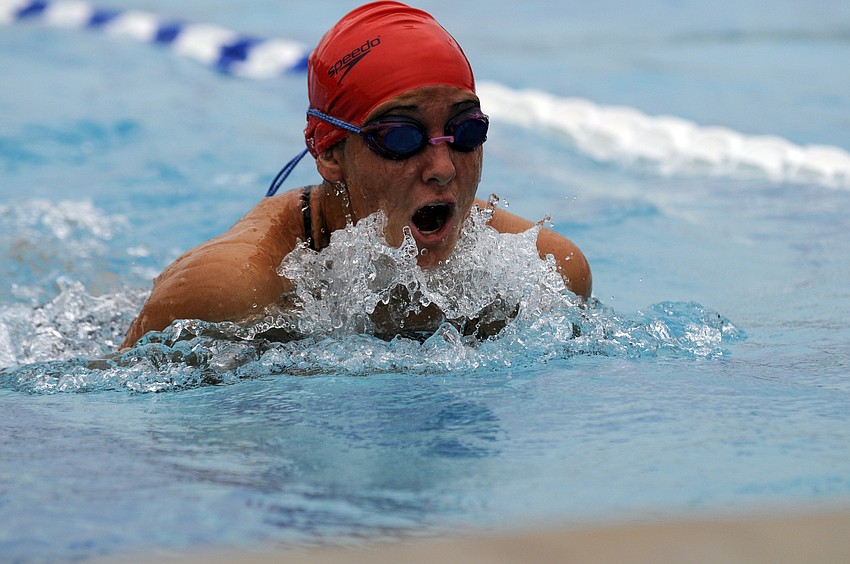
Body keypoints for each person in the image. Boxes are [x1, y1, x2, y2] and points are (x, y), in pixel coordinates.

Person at [120, 1, 591, 348]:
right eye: (401, 138)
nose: (443, 169)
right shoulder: (231, 295)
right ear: (329, 155)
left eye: (464, 131)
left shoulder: (544, 272)